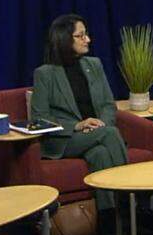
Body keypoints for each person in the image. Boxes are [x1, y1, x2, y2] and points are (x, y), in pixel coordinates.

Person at [31, 14, 128, 215]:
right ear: (64, 39)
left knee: (100, 154)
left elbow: (109, 105)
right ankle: (130, 202)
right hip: (65, 139)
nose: (88, 40)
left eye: (86, 34)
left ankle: (109, 221)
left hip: (96, 134)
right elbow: (39, 118)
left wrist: (101, 123)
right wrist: (77, 126)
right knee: (110, 134)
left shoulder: (94, 65)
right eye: (80, 35)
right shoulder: (45, 73)